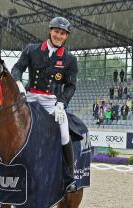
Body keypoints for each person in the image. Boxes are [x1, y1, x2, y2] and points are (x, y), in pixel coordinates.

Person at [11, 16, 77, 192]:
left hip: (51, 101)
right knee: (8, 123)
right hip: (30, 95)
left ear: (66, 36)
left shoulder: (70, 59)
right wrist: (19, 85)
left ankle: (69, 177)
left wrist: (61, 104)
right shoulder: (32, 50)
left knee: (64, 132)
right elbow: (17, 68)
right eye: (56, 31)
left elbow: (70, 86)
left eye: (62, 33)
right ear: (50, 31)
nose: (58, 35)